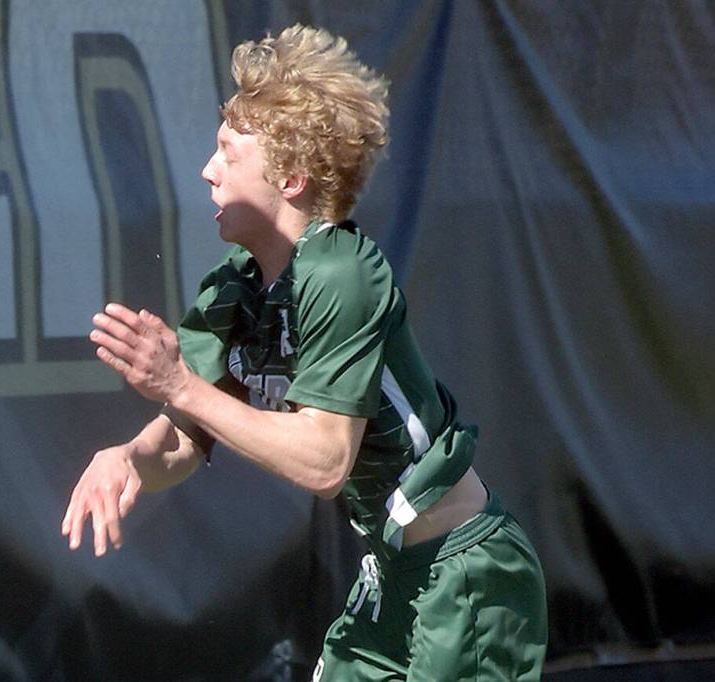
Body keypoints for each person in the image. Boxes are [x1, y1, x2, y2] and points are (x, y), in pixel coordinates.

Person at [61, 24, 547, 680]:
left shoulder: (342, 271)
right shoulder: (235, 289)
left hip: (463, 580)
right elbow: (185, 435)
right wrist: (127, 459)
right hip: (390, 580)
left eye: (228, 153)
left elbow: (324, 460)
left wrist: (178, 383)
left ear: (289, 177)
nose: (208, 170)